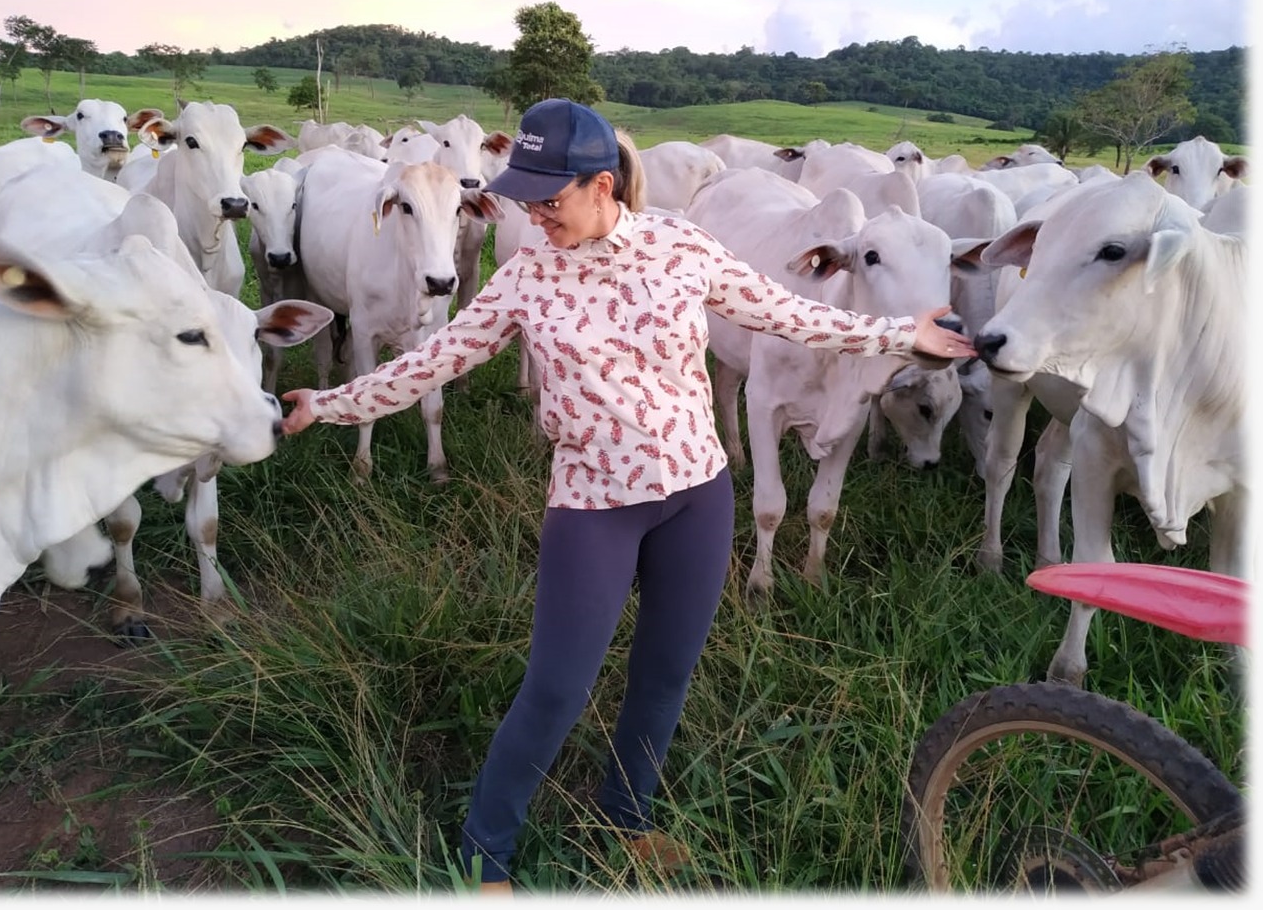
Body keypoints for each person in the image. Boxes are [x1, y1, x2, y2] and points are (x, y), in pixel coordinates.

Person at [280, 98, 976, 893]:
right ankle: (485, 853)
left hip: (698, 499)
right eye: (526, 198)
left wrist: (899, 335)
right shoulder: (526, 277)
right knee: (558, 687)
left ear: (602, 184)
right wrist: (328, 403)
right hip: (592, 509)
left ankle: (627, 818)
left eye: (549, 198)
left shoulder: (680, 247)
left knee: (664, 677)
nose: (532, 214)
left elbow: (790, 315)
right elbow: (431, 363)